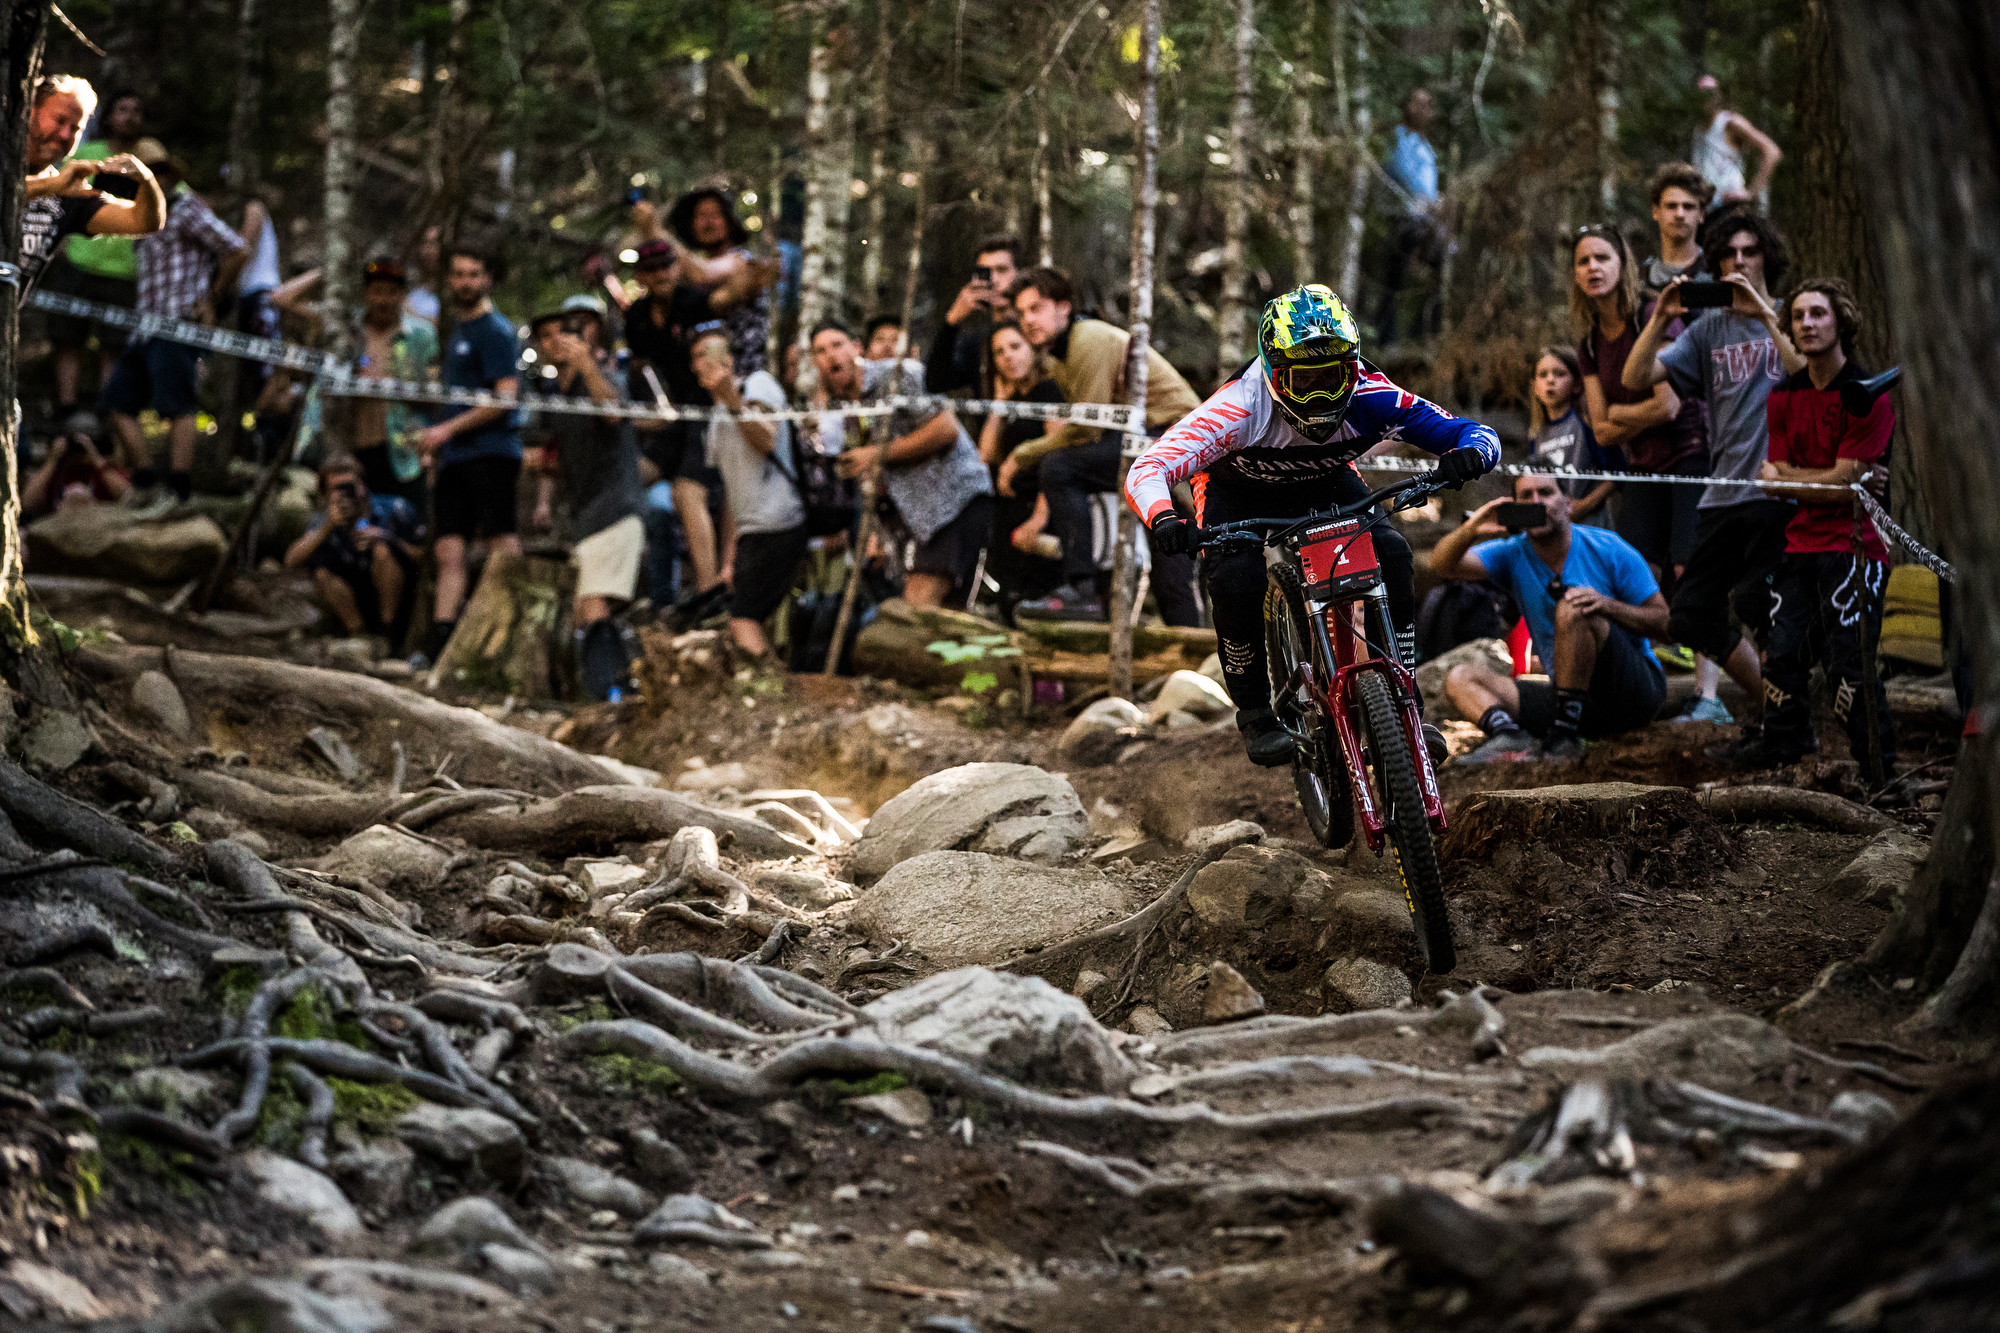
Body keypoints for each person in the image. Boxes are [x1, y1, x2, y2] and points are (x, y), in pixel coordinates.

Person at [1124, 283, 1498, 767]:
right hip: (1236, 490)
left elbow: (1474, 432)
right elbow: (1147, 469)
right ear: (1276, 374)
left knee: (1395, 555)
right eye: (1305, 381)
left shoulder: (1374, 396)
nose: (1322, 395)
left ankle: (1404, 705)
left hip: (1327, 479)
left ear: (1354, 368)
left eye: (1334, 377)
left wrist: (1469, 455)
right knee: (1236, 579)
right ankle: (1256, 714)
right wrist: (1165, 519)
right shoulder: (1237, 408)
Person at [1623, 207, 1806, 757]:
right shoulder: (1707, 331)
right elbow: (1635, 378)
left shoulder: (1793, 316)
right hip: (1722, 492)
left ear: (1767, 256)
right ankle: (1781, 714)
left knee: (1759, 603)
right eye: (1729, 255)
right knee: (1691, 614)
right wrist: (1660, 318)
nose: (1740, 262)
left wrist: (1766, 316)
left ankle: (1788, 728)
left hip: (1779, 492)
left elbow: (1807, 377)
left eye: (1750, 252)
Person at [1740, 278, 1896, 771]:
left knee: (1848, 666)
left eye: (1818, 314)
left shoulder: (1868, 394)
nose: (1806, 324)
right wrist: (1826, 479)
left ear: (1841, 322)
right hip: (1799, 547)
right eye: (1799, 316)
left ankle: (1880, 773)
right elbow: (1779, 477)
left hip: (1856, 547)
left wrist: (1795, 480)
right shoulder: (1782, 397)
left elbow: (1840, 483)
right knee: (1781, 658)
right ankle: (1781, 762)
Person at [1001, 266, 1203, 624]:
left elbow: (1087, 429)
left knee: (1060, 467)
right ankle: (1189, 654)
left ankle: (1080, 590)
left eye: (1036, 308)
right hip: (1160, 444)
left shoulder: (1087, 338)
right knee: (1170, 566)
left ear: (1063, 306)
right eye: (1021, 313)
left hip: (1171, 440)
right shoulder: (1061, 354)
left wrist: (1022, 454)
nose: (1027, 320)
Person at [1430, 473, 1671, 762]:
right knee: (1460, 677)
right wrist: (1473, 529)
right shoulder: (1512, 552)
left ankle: (1566, 735)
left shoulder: (1609, 547)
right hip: (1564, 700)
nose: (1536, 502)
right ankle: (1510, 736)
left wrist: (1607, 605)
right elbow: (1442, 565)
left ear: (1568, 503)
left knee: (1573, 606)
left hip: (1632, 693)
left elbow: (1666, 625)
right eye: (1526, 497)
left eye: (1545, 493)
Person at [101, 142, 249, 502]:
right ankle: (146, 481)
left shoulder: (186, 209)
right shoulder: (142, 218)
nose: (150, 180)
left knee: (178, 405)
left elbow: (236, 248)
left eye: (155, 172)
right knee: (115, 403)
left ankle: (180, 488)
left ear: (166, 175)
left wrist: (211, 297)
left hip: (178, 323)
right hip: (144, 328)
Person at [809, 320, 993, 608]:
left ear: (856, 348)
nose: (831, 355)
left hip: (954, 500)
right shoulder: (841, 407)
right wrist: (878, 534)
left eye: (837, 345)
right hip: (915, 519)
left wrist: (875, 454)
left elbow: (946, 429)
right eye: (820, 350)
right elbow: (875, 475)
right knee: (943, 616)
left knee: (919, 605)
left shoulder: (899, 375)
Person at [523, 295, 647, 699]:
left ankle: (612, 697)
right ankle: (612, 691)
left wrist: (587, 364)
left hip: (617, 507)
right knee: (586, 609)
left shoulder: (605, 376)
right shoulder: (550, 395)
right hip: (584, 513)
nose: (555, 341)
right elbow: (552, 457)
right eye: (546, 336)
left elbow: (613, 413)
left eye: (564, 333)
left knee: (593, 603)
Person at [1571, 225, 1706, 597]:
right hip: (1642, 464)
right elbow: (1600, 431)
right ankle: (1655, 653)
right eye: (1583, 261)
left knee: (1685, 566)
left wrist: (1618, 414)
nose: (1593, 268)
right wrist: (1624, 417)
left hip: (1688, 451)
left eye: (1602, 258)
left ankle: (1697, 651)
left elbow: (1669, 406)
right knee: (1637, 569)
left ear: (1622, 264)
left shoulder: (1652, 313)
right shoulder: (1589, 343)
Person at [413, 247, 522, 667]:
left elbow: (504, 399)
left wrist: (446, 431)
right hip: (454, 457)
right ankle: (443, 638)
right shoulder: (453, 331)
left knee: (501, 543)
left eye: (474, 274)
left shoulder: (496, 331)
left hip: (492, 452)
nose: (465, 282)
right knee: (449, 549)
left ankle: (507, 637)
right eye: (458, 274)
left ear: (488, 279)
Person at [276, 257, 440, 502]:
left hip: (402, 456)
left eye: (391, 292)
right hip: (348, 453)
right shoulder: (343, 329)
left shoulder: (421, 335)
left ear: (402, 294)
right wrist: (332, 267)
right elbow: (283, 299)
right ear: (365, 292)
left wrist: (389, 386)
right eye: (376, 291)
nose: (383, 300)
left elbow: (435, 395)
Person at [690, 324, 806, 658]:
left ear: (730, 358)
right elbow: (731, 491)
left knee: (743, 619)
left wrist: (732, 400)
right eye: (698, 356)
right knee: (742, 617)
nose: (705, 362)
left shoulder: (758, 385)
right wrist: (729, 557)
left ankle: (767, 693)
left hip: (780, 521)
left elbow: (765, 440)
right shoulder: (715, 417)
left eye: (712, 353)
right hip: (750, 531)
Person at [43, 88, 146, 415]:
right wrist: (56, 242)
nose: (129, 117)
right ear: (109, 117)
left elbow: (177, 198)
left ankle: (107, 410)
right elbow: (57, 194)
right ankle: (66, 407)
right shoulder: (87, 152)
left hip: (125, 269)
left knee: (113, 346)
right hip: (78, 260)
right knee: (67, 338)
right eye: (122, 109)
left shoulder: (151, 158)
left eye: (135, 111)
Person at [21, 75, 163, 301]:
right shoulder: (54, 183)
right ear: (28, 112)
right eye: (59, 120)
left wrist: (146, 180)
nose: (65, 135)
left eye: (75, 128)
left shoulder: (68, 193)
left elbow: (143, 221)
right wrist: (50, 185)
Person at [284, 457, 425, 649]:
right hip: (354, 599)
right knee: (322, 573)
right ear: (325, 495)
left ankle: (388, 635)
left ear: (363, 484)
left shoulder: (394, 508)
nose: (346, 494)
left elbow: (424, 557)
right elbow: (291, 561)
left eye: (350, 486)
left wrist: (388, 538)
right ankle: (359, 637)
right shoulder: (323, 521)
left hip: (401, 598)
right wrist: (328, 527)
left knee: (382, 551)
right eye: (337, 489)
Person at [976, 320, 1065, 616]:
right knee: (1008, 600)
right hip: (1009, 513)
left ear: (1033, 349)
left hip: (1043, 511)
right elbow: (985, 455)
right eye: (999, 352)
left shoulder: (1050, 391)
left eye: (1015, 347)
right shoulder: (1011, 399)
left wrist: (1039, 518)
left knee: (1036, 603)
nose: (1008, 357)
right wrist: (1000, 404)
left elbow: (1059, 455)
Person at [667, 187, 774, 376]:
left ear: (730, 221)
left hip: (747, 376)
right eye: (701, 215)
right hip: (707, 381)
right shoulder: (685, 277)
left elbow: (703, 272)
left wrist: (655, 230)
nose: (708, 222)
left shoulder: (742, 261)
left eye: (715, 214)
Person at [1375, 88, 1444, 346]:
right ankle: (1385, 338)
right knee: (1394, 277)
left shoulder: (1425, 145)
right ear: (1405, 106)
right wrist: (1429, 203)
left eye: (1427, 105)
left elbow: (1427, 185)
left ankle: (1423, 332)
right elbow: (1402, 175)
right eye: (1417, 103)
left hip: (1424, 220)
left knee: (1440, 267)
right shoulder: (1398, 140)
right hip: (1401, 218)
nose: (1422, 110)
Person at [1528, 346, 1618, 529]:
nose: (1550, 380)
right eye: (1543, 375)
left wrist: (1586, 505)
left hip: (1592, 528)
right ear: (1535, 387)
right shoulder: (1535, 435)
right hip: (1554, 531)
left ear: (1577, 384)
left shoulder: (1588, 424)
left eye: (1559, 374)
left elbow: (1618, 474)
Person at [925, 234, 1022, 396]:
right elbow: (936, 383)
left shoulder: (1037, 336)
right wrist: (952, 322)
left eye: (1002, 270)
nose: (994, 280)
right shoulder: (978, 345)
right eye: (986, 272)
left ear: (1020, 273)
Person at [1692, 75, 1782, 210]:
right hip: (1705, 209)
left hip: (1730, 207)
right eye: (1702, 94)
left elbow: (1772, 151)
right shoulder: (1699, 130)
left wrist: (1751, 193)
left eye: (1710, 93)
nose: (1707, 99)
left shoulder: (1730, 123)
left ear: (1718, 96)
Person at [23, 417, 129, 516]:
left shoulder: (106, 470)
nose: (78, 452)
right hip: (59, 529)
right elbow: (27, 503)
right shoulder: (56, 471)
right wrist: (52, 460)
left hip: (98, 528)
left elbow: (127, 495)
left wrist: (95, 458)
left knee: (79, 491)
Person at [1642, 162, 1714, 296]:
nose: (1680, 214)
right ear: (1655, 211)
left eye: (1688, 207)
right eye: (1671, 206)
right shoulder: (1639, 277)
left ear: (1702, 214)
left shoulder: (1716, 272)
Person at [404, 225, 442, 325]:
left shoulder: (457, 290)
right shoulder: (414, 295)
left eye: (435, 244)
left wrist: (411, 314)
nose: (429, 250)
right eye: (425, 244)